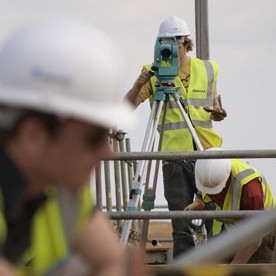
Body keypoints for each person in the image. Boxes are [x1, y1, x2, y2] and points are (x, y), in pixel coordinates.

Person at [0, 18, 139, 275]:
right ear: (34, 136)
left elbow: (112, 261)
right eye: (95, 137)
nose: (108, 152)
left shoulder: (63, 189)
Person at [125, 15, 227, 258]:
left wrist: (219, 113)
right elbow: (125, 108)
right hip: (173, 157)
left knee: (215, 221)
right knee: (181, 225)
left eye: (174, 42)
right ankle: (185, 268)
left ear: (185, 41)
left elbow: (211, 106)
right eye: (163, 42)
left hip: (206, 154)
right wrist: (138, 85)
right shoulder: (152, 73)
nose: (168, 47)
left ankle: (216, 267)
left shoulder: (207, 69)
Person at [192, 148, 276, 263]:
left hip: (262, 227)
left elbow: (254, 241)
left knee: (255, 268)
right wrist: (199, 201)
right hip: (229, 225)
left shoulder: (251, 189)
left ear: (227, 177)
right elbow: (206, 183)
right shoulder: (207, 167)